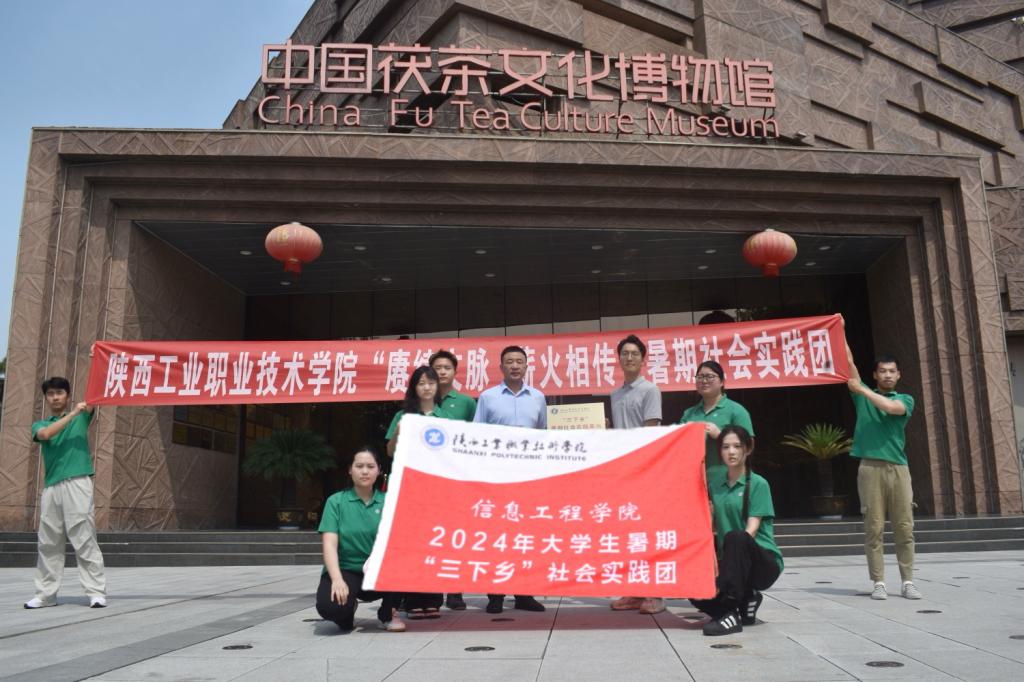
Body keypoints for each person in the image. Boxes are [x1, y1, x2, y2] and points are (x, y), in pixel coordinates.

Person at [844, 335, 920, 600]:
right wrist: (840, 330)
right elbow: (849, 363)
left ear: (898, 375)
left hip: (898, 469)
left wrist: (863, 390)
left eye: (892, 371)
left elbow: (890, 407)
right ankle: (878, 582)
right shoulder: (862, 397)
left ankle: (908, 581)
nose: (887, 375)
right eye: (883, 371)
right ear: (875, 375)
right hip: (869, 469)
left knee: (904, 527)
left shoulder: (906, 399)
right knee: (873, 528)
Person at [474, 345, 547, 614]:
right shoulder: (487, 397)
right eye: (509, 362)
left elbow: (542, 435)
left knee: (525, 537)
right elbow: (478, 436)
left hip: (527, 478)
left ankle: (524, 593)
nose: (515, 366)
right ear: (501, 367)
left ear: (526, 366)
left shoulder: (538, 397)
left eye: (519, 361)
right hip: (496, 478)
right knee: (497, 537)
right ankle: (495, 595)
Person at [691, 425, 783, 636]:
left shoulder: (758, 484)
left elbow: (751, 530)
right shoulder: (715, 485)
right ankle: (744, 601)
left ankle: (730, 608)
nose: (731, 452)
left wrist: (724, 580)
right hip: (732, 563)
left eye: (737, 446)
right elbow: (710, 525)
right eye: (725, 447)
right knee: (694, 588)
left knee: (736, 537)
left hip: (762, 563)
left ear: (747, 449)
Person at [25, 377, 107, 610]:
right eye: (51, 394)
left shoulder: (83, 416)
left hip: (77, 482)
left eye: (60, 393)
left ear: (68, 395)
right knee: (48, 542)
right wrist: (72, 414)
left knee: (84, 537)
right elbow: (46, 435)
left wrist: (97, 361)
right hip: (52, 487)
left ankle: (96, 592)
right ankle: (45, 595)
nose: (55, 397)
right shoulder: (41, 424)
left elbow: (94, 394)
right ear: (46, 398)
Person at [316, 447, 406, 632]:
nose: (365, 471)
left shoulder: (390, 502)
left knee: (405, 561)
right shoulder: (336, 502)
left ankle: (388, 613)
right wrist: (337, 579)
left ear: (379, 470)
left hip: (380, 572)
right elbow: (329, 544)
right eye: (359, 466)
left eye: (370, 466)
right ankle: (347, 611)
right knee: (331, 608)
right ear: (350, 470)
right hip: (346, 569)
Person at [607, 334, 665, 615]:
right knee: (628, 534)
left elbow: (651, 432)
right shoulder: (615, 394)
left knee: (648, 533)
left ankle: (655, 594)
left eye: (634, 354)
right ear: (619, 359)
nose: (629, 358)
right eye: (624, 354)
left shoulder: (650, 390)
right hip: (623, 473)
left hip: (644, 471)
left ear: (643, 359)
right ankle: (633, 591)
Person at [384, 366, 443, 617]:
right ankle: (412, 600)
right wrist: (399, 431)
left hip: (436, 491)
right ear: (414, 388)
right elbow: (389, 451)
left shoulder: (445, 418)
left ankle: (433, 599)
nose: (426, 387)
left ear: (437, 387)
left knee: (434, 543)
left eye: (431, 382)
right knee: (412, 545)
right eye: (421, 383)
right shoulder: (403, 415)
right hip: (409, 490)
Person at [429, 350, 476, 611]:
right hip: (427, 480)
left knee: (457, 537)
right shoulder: (422, 400)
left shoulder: (467, 403)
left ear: (455, 371)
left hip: (457, 479)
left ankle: (455, 591)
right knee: (430, 536)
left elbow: (476, 437)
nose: (442, 371)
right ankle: (429, 591)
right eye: (437, 367)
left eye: (447, 367)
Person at [678, 360, 754, 491]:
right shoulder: (689, 414)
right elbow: (677, 448)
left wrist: (720, 435)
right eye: (700, 377)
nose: (704, 381)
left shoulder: (736, 410)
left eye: (710, 376)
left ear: (722, 382)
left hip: (727, 482)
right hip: (693, 482)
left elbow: (749, 445)